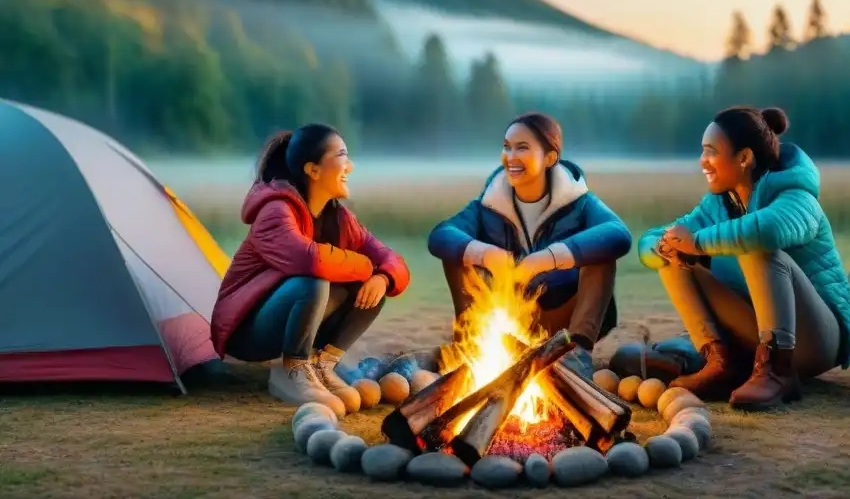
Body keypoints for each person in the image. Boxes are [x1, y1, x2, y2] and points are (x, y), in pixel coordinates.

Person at [637, 106, 850, 411]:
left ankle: (777, 370)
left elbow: (767, 230)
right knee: (675, 253)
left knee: (756, 246)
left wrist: (699, 243)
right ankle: (718, 362)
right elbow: (653, 238)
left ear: (744, 158)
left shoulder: (797, 197)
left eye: (711, 152)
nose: (703, 161)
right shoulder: (719, 203)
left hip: (817, 340)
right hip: (756, 325)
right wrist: (662, 247)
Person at [210, 124, 410, 412]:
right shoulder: (275, 212)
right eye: (341, 155)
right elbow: (309, 260)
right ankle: (294, 368)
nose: (349, 166)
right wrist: (368, 266)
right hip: (249, 332)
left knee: (375, 287)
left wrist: (383, 277)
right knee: (313, 281)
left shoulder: (339, 218)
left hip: (295, 316)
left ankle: (322, 364)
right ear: (313, 170)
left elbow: (393, 262)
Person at [428, 112, 633, 378]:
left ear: (549, 157)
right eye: (506, 147)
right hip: (507, 313)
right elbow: (441, 234)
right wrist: (486, 253)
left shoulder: (579, 202)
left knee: (602, 253)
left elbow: (618, 234)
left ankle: (577, 353)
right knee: (458, 251)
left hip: (562, 317)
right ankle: (472, 344)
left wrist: (547, 258)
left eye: (522, 148)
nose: (510, 157)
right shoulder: (488, 205)